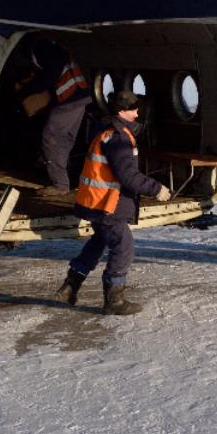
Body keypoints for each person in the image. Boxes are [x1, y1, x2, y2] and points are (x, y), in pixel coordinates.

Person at [54, 90, 172, 315]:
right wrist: (156, 189)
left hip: (97, 203)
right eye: (133, 108)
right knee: (123, 247)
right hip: (108, 205)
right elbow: (127, 175)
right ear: (121, 111)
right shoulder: (118, 138)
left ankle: (70, 286)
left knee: (98, 242)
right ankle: (114, 300)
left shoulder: (107, 131)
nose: (137, 112)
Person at [22, 36, 91, 199]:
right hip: (78, 97)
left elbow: (50, 74)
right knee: (63, 140)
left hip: (69, 99)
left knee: (51, 137)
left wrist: (28, 90)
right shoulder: (50, 45)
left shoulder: (42, 47)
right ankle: (62, 179)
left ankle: (60, 185)